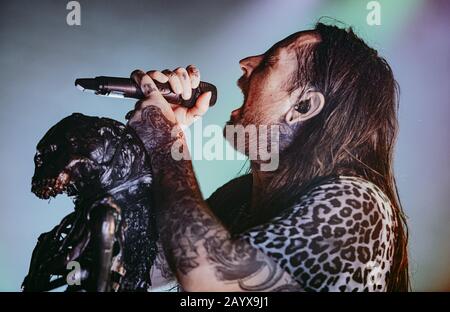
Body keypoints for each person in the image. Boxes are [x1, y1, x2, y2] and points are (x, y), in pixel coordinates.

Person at [126, 22, 409, 292]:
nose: (246, 62)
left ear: (303, 105)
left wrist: (165, 144)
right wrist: (161, 138)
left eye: (270, 61)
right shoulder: (239, 198)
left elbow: (213, 282)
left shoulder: (358, 206)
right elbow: (140, 267)